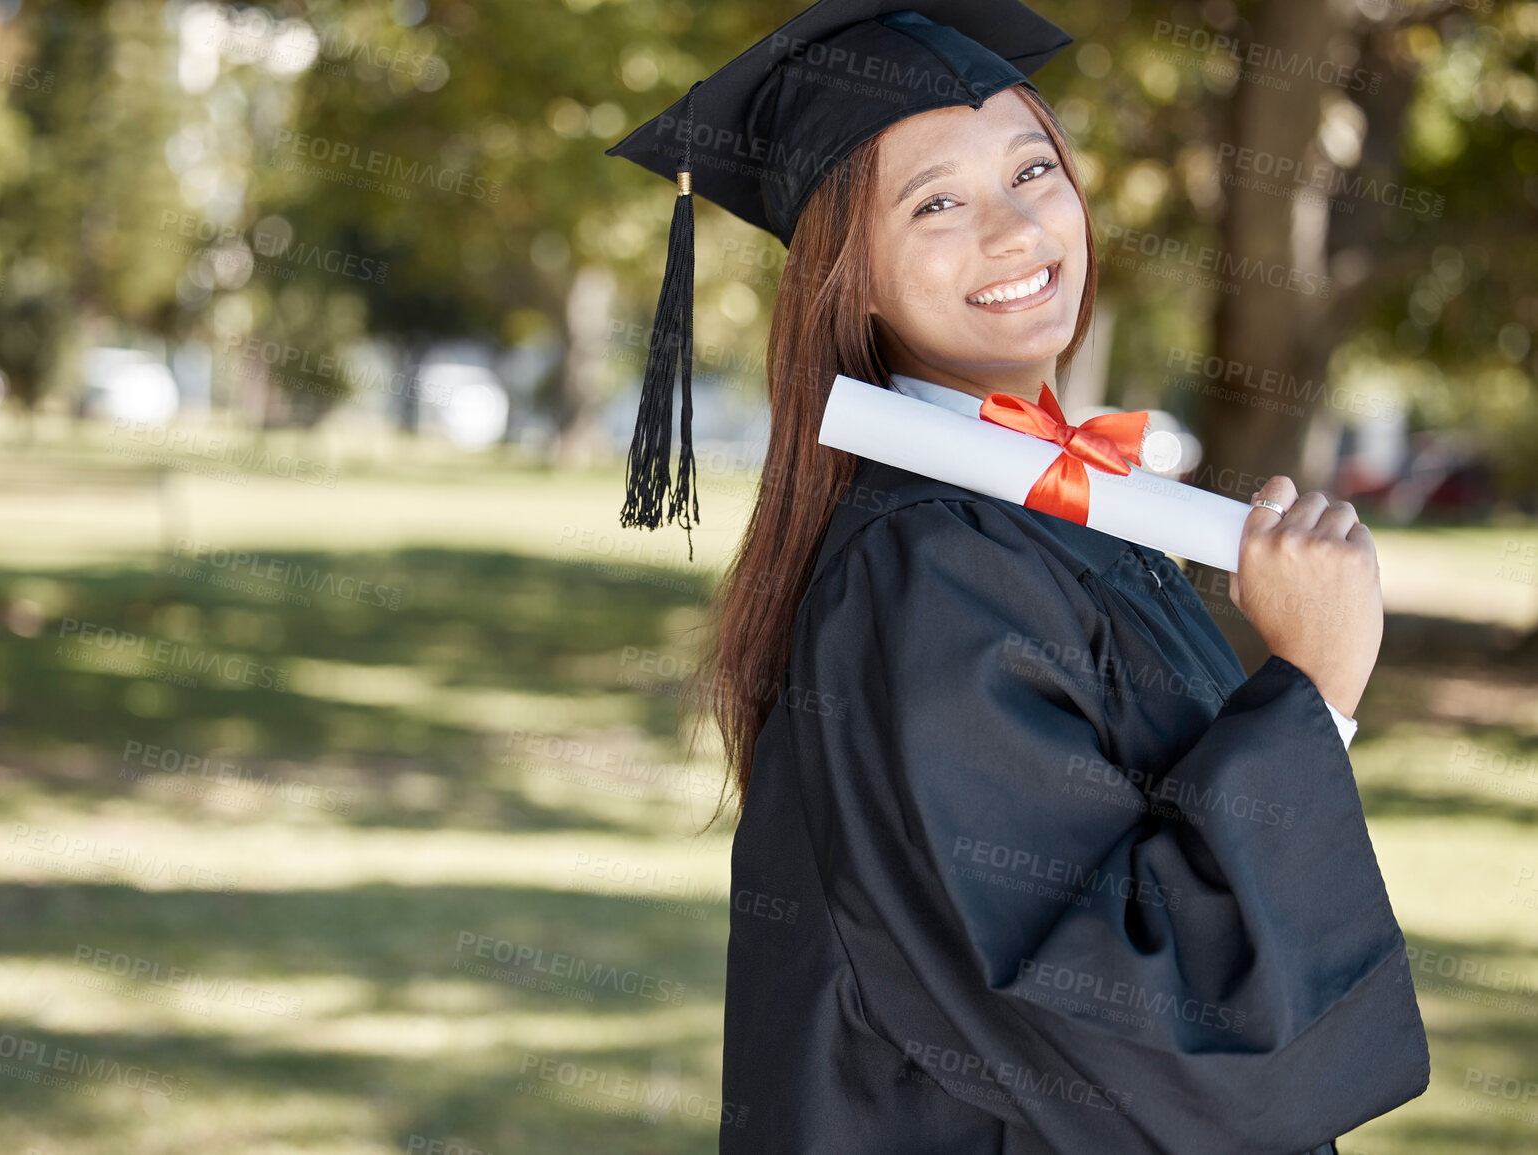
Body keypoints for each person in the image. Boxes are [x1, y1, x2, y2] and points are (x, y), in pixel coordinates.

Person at [606, 2, 1430, 1151]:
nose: (1014, 229)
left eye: (1033, 169)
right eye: (936, 201)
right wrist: (1314, 689)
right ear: (854, 277)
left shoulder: (1040, 506)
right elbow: (1096, 1003)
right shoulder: (928, 567)